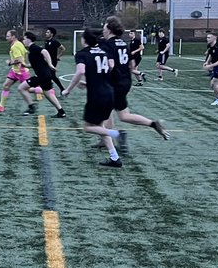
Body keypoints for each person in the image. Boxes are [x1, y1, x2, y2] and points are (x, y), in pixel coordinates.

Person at [102, 16, 170, 150]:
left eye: (104, 27)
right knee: (123, 115)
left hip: (114, 82)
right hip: (125, 81)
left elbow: (111, 65)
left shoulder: (108, 45)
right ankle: (153, 124)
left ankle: (112, 139)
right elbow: (131, 65)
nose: (103, 30)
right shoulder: (123, 43)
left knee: (105, 110)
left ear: (109, 29)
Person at [60, 28, 125, 167]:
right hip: (109, 93)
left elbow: (80, 71)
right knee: (99, 126)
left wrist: (68, 90)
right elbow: (110, 67)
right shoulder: (103, 52)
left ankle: (116, 133)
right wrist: (90, 82)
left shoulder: (82, 54)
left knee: (88, 128)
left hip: (96, 96)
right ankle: (115, 158)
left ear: (84, 40)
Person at [12, 30, 66, 117]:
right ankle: (61, 112)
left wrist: (50, 64)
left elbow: (45, 51)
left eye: (24, 39)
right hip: (46, 75)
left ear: (29, 39)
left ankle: (31, 107)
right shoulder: (31, 50)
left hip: (41, 76)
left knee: (21, 88)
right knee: (48, 94)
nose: (23, 41)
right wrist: (25, 65)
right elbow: (34, 65)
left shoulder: (33, 47)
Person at [0, 29, 28, 108]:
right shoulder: (19, 43)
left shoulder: (15, 46)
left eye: (8, 36)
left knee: (28, 89)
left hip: (21, 72)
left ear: (13, 37)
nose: (6, 38)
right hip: (15, 71)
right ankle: (1, 106)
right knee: (5, 86)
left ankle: (43, 90)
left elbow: (19, 60)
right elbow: (26, 53)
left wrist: (10, 63)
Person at [43, 27, 67, 93]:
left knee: (52, 76)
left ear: (52, 34)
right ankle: (49, 87)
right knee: (47, 74)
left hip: (53, 61)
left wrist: (58, 56)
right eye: (46, 32)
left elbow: (63, 49)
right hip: (46, 61)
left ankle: (62, 89)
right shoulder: (46, 41)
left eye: (48, 32)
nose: (46, 33)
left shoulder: (55, 42)